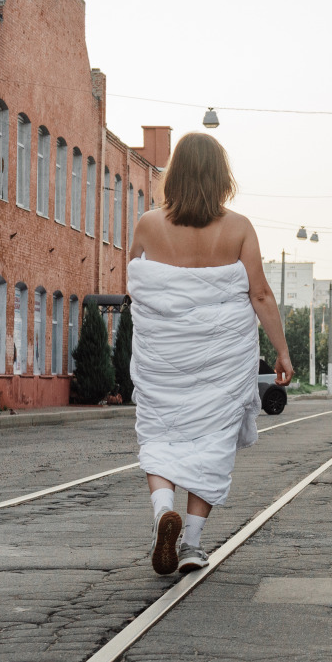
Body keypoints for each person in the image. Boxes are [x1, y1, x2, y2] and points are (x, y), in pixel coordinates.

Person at [128, 133, 294, 575]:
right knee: (213, 442)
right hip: (222, 360)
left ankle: (164, 510)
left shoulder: (147, 224)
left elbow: (138, 288)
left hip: (163, 358)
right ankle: (192, 545)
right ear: (222, 177)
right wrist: (281, 351)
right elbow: (259, 293)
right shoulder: (238, 227)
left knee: (160, 436)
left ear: (175, 174)